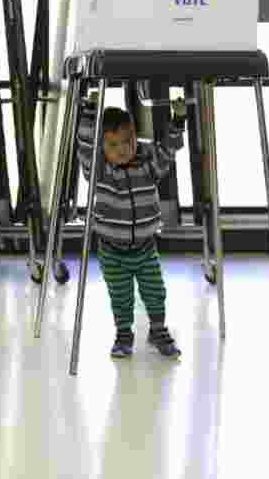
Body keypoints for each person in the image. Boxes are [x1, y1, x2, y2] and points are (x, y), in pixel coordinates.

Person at [76, 91, 186, 359]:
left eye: (128, 141)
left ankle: (158, 329)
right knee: (121, 296)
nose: (122, 149)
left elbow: (168, 152)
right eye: (113, 145)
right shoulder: (100, 172)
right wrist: (90, 113)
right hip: (112, 252)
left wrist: (178, 121)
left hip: (146, 247)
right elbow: (85, 146)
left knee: (155, 291)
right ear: (103, 148)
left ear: (136, 138)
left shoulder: (148, 167)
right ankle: (124, 333)